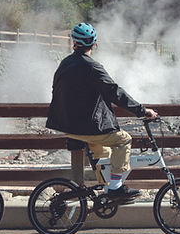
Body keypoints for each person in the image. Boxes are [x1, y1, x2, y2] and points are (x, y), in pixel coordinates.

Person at [46, 23, 157, 199]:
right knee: (123, 140)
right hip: (86, 126)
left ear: (74, 42)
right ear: (94, 44)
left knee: (104, 153)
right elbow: (115, 92)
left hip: (68, 124)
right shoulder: (92, 67)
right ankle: (115, 187)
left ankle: (104, 193)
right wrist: (142, 111)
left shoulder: (65, 63)